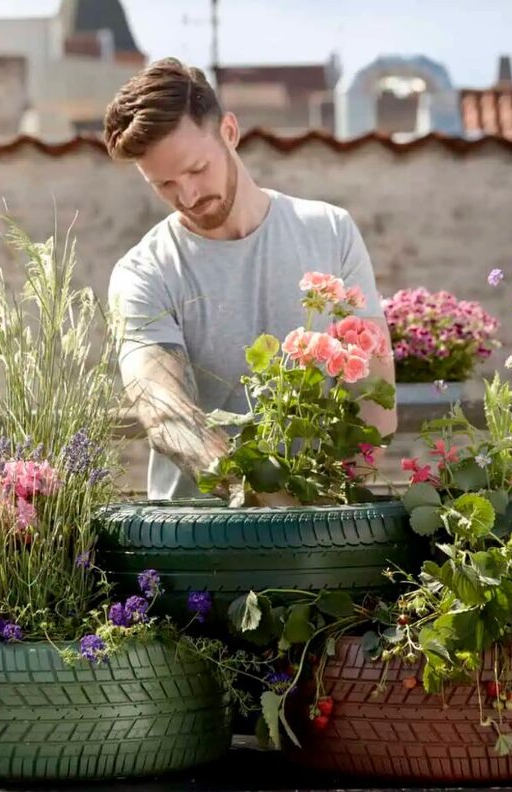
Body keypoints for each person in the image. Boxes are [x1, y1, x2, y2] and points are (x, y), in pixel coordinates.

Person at [104, 57, 396, 503]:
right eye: (163, 184)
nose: (187, 195)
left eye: (197, 169)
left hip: (322, 536)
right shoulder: (143, 271)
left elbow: (375, 399)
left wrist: (330, 508)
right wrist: (265, 502)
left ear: (229, 132)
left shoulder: (331, 231)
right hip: (195, 543)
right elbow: (162, 408)